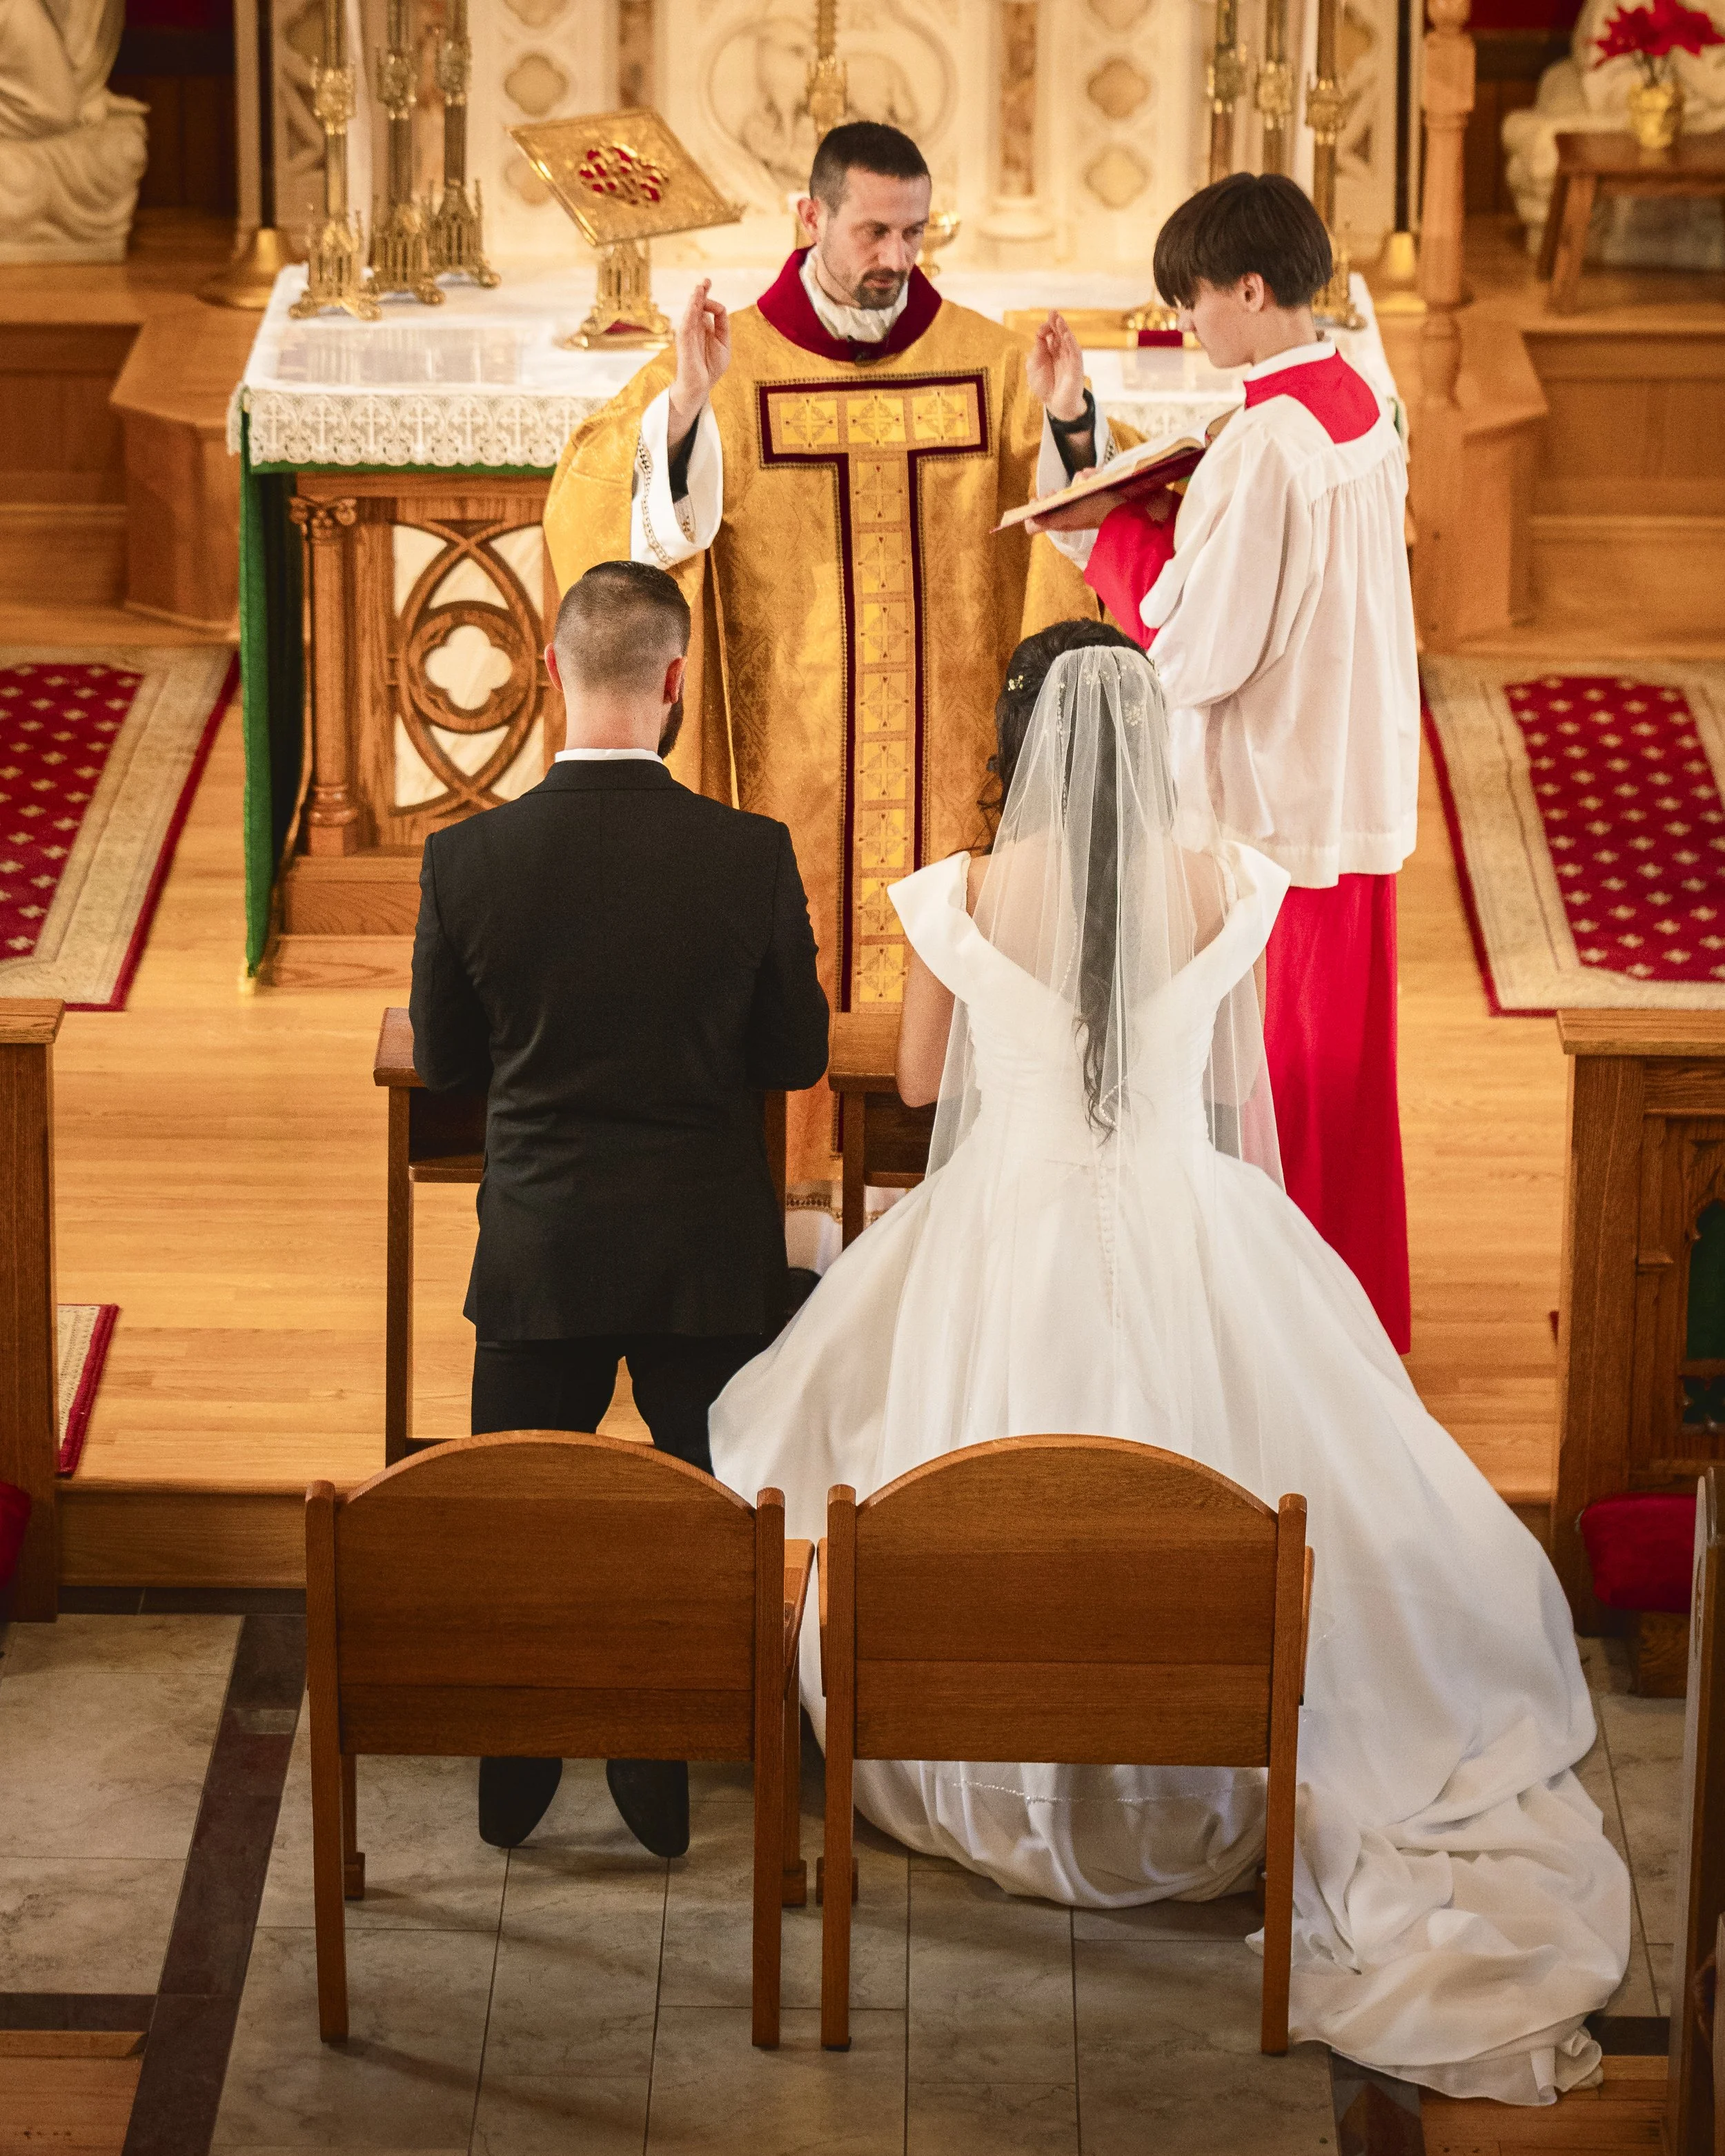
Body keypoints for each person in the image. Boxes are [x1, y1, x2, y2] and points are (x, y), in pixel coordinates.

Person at [708, 629, 1626, 2106]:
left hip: (994, 1233)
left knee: (881, 1458)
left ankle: (980, 1758)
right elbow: (1220, 1082)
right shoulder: (1225, 885)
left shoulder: (956, 895)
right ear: (1151, 742)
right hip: (1185, 1219)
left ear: (1015, 743)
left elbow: (930, 1083)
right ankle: (1191, 1755)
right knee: (1242, 1480)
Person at [542, 120, 1106, 1192]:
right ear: (810, 219)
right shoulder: (732, 360)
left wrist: (1074, 422)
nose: (896, 257)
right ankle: (788, 1199)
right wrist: (690, 406)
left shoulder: (990, 363)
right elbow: (607, 514)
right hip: (785, 777)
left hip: (950, 775)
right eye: (872, 231)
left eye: (913, 232)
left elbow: (1073, 528)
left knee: (945, 938)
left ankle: (936, 1193)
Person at [409, 559, 830, 1858]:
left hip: (539, 1250)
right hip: (706, 1253)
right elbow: (798, 1053)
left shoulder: (467, 857)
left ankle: (515, 1768)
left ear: (549, 671)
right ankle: (659, 1762)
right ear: (675, 681)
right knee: (698, 1514)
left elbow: (446, 1059)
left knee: (519, 1515)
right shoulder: (747, 855)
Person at [1027, 174, 1419, 1352]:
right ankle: (1351, 1323)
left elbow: (1195, 657)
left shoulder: (1265, 448)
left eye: (1193, 299)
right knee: (1343, 1090)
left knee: (1273, 1094)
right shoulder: (1355, 399)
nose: (1184, 323)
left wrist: (1122, 532)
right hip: (1341, 786)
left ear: (1253, 288)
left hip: (1269, 814)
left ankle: (1273, 1337)